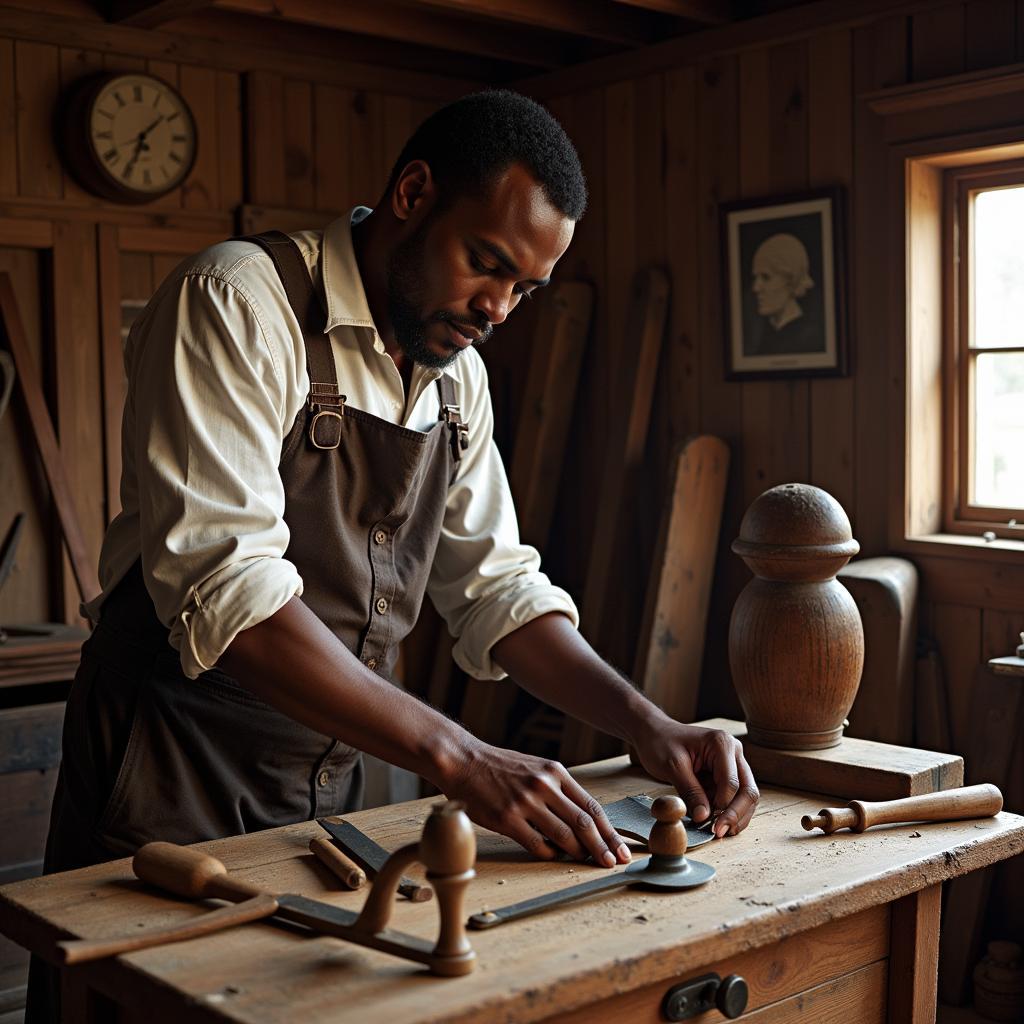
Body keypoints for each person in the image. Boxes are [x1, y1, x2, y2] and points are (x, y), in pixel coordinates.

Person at [29, 88, 759, 1020]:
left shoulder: (460, 381)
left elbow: (498, 590)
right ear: (413, 193)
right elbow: (231, 591)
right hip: (168, 774)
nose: (497, 309)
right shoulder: (235, 302)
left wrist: (646, 726)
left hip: (342, 794)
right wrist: (461, 758)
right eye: (485, 265)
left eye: (523, 290)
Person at [747, 232, 823, 357]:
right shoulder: (764, 338)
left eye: (766, 277)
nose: (756, 288)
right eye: (756, 277)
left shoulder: (809, 338)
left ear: (791, 280)